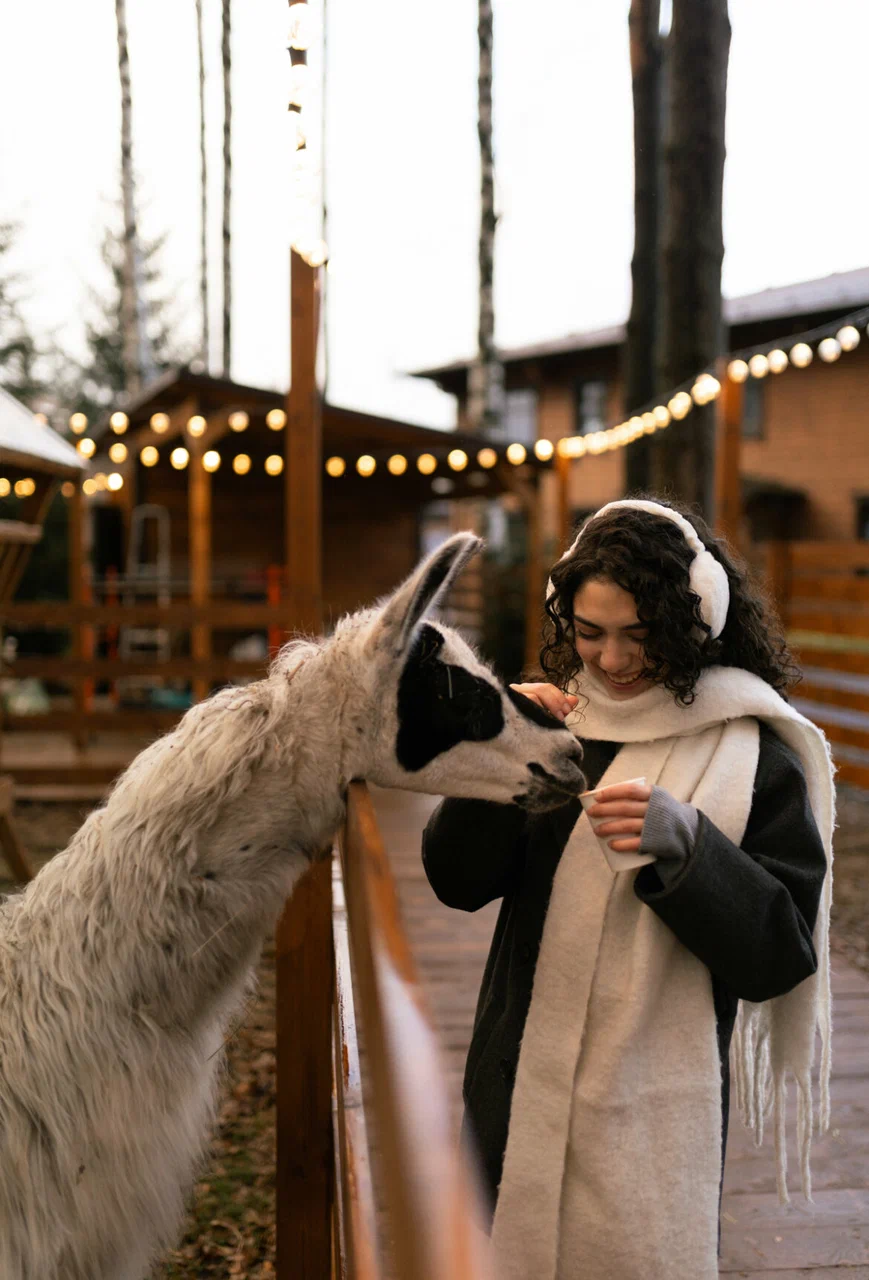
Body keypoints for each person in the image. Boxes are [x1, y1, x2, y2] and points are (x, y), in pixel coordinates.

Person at [421, 497, 834, 1280]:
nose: (610, 661)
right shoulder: (557, 724)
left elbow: (779, 954)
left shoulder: (752, 754)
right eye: (588, 632)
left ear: (694, 623)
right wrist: (502, 751)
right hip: (517, 1084)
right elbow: (455, 883)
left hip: (653, 1113)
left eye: (640, 636)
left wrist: (688, 846)